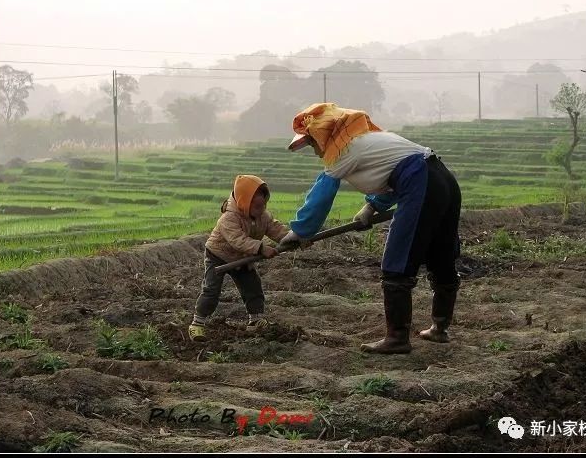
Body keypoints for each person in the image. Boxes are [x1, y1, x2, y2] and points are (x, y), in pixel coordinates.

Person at [279, 102, 462, 354]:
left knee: (397, 262)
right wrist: (371, 208)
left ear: (322, 134)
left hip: (421, 181)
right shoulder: (368, 140)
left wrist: (300, 231)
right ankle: (440, 329)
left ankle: (397, 338)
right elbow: (391, 174)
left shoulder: (345, 149)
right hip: (442, 179)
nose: (314, 151)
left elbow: (321, 196)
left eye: (312, 143)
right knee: (441, 254)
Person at [188, 174, 289, 342]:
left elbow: (276, 229)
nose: (261, 209)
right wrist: (261, 248)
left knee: (253, 286)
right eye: (256, 206)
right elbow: (237, 240)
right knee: (211, 290)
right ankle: (197, 323)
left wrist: (294, 238)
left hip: (243, 258)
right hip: (218, 256)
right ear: (244, 201)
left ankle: (255, 320)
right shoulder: (228, 218)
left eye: (263, 205)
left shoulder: (263, 216)